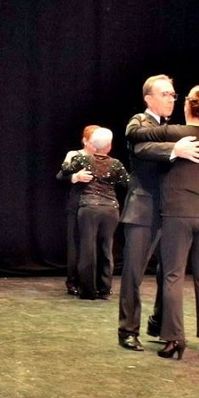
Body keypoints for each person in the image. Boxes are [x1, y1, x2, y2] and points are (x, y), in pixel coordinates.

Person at [127, 85, 199, 360]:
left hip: (180, 213)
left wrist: (173, 143)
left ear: (186, 107)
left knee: (173, 275)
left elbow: (136, 133)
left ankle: (173, 340)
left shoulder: (177, 133)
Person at [117, 74, 199, 352]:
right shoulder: (139, 122)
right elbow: (143, 148)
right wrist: (175, 149)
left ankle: (159, 323)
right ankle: (127, 330)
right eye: (165, 94)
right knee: (134, 272)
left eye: (173, 95)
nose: (171, 98)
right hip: (143, 209)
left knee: (169, 272)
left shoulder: (170, 127)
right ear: (149, 98)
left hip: (170, 213)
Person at [59, 127, 128, 300]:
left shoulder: (83, 158)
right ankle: (103, 288)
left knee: (88, 248)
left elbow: (65, 168)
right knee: (105, 248)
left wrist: (71, 168)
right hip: (109, 208)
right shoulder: (115, 163)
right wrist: (76, 176)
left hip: (89, 207)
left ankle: (88, 289)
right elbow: (127, 182)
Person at [56, 125, 99, 296]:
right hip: (77, 202)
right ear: (85, 141)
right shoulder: (74, 155)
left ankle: (92, 281)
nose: (96, 145)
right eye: (93, 141)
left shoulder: (102, 157)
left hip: (96, 205)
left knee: (94, 244)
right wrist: (75, 177)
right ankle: (72, 281)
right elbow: (60, 175)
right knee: (75, 243)